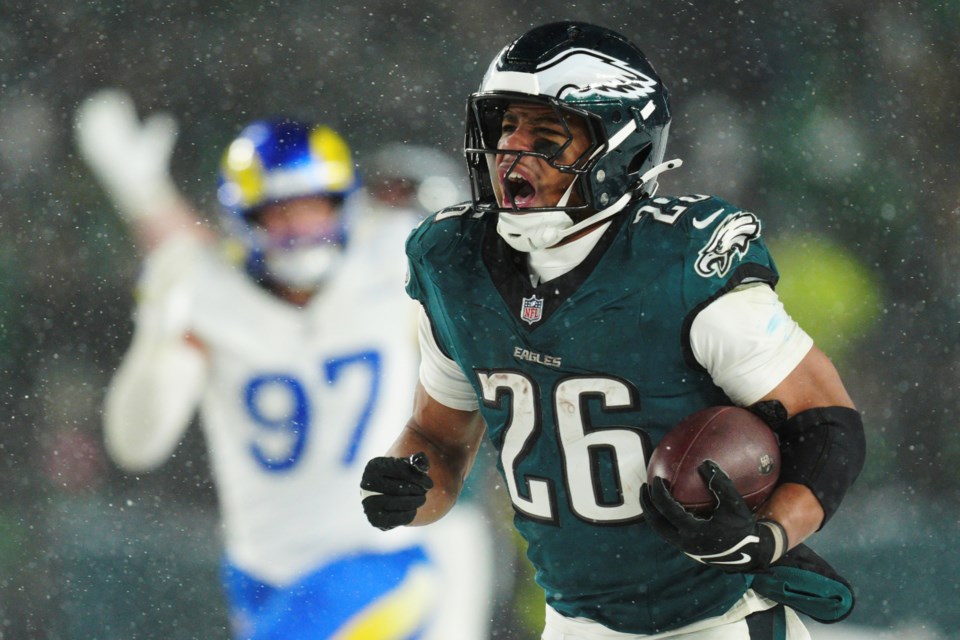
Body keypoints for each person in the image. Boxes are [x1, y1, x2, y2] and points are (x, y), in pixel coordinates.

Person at [360, 21, 865, 640]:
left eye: (546, 134)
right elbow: (437, 442)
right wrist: (406, 486)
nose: (513, 150)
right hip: (573, 622)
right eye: (505, 127)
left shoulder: (674, 264)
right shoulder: (453, 263)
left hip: (718, 621)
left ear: (620, 148)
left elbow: (826, 421)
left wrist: (768, 534)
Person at [74, 89, 487, 640]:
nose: (300, 231)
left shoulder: (391, 263)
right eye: (279, 215)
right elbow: (136, 445)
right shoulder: (209, 296)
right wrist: (157, 333)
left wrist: (145, 196)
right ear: (243, 221)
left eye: (313, 208)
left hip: (377, 560)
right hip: (261, 575)